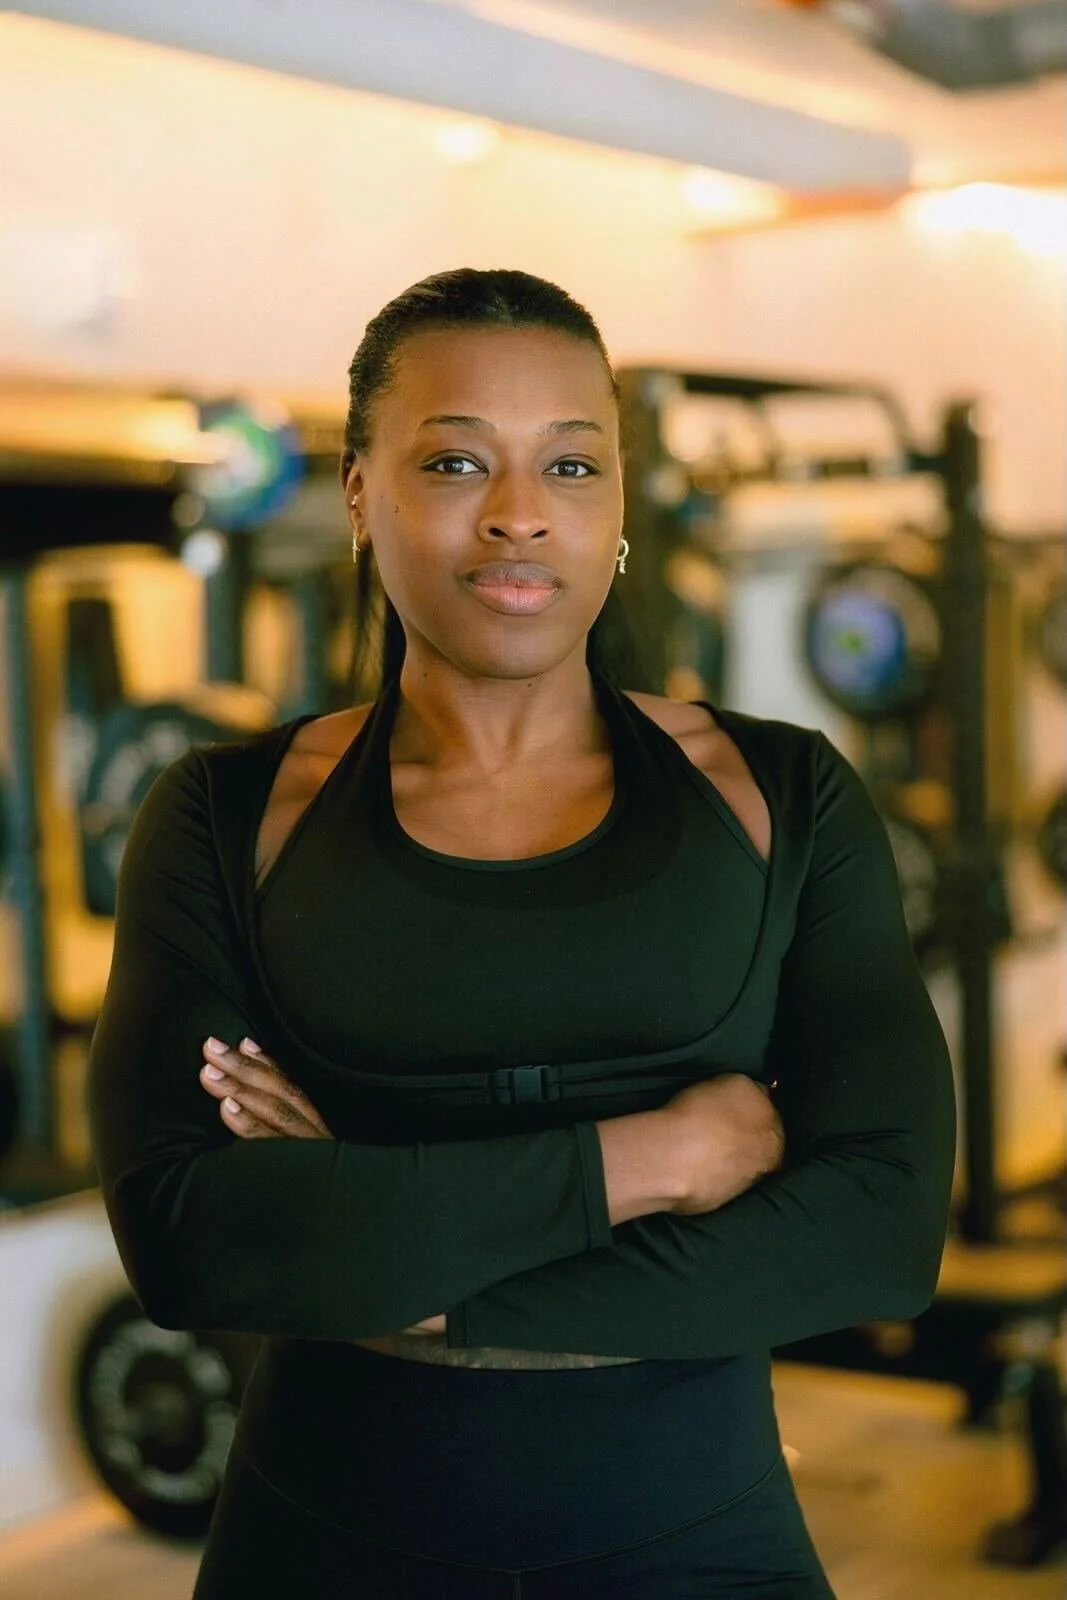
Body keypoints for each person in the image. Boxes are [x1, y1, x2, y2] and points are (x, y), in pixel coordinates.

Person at [88, 268, 957, 1599]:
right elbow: (197, 1239)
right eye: (453, 460)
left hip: (697, 1546)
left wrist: (384, 1247)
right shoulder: (224, 816)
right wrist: (657, 1157)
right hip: (321, 1545)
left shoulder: (779, 794)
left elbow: (876, 1234)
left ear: (613, 507)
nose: (517, 516)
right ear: (361, 492)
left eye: (569, 463)